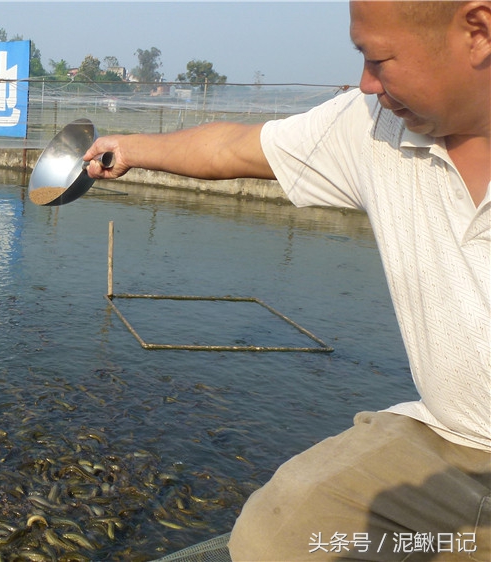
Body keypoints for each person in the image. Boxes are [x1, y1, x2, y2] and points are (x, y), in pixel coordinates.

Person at [84, 1, 490, 560]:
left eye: (381, 59)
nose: (367, 83)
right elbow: (235, 147)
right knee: (276, 531)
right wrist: (130, 149)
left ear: (479, 31)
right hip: (447, 437)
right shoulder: (373, 127)